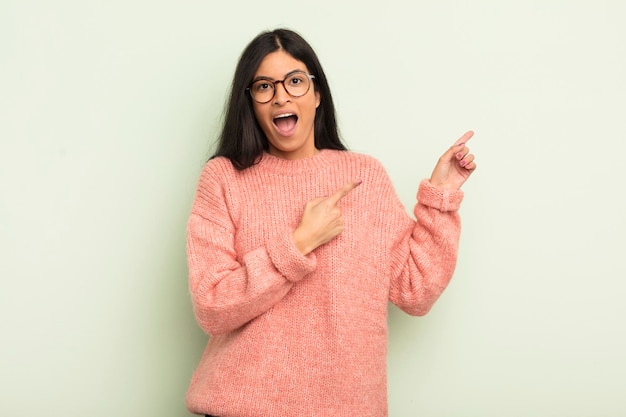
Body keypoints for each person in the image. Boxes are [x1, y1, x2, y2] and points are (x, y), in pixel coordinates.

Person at [185, 28, 476, 417]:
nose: (281, 96)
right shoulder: (223, 178)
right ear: (251, 103)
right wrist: (299, 243)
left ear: (317, 94)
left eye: (294, 81)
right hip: (239, 407)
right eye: (264, 86)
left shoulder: (364, 177)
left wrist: (440, 198)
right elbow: (212, 305)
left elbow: (416, 290)